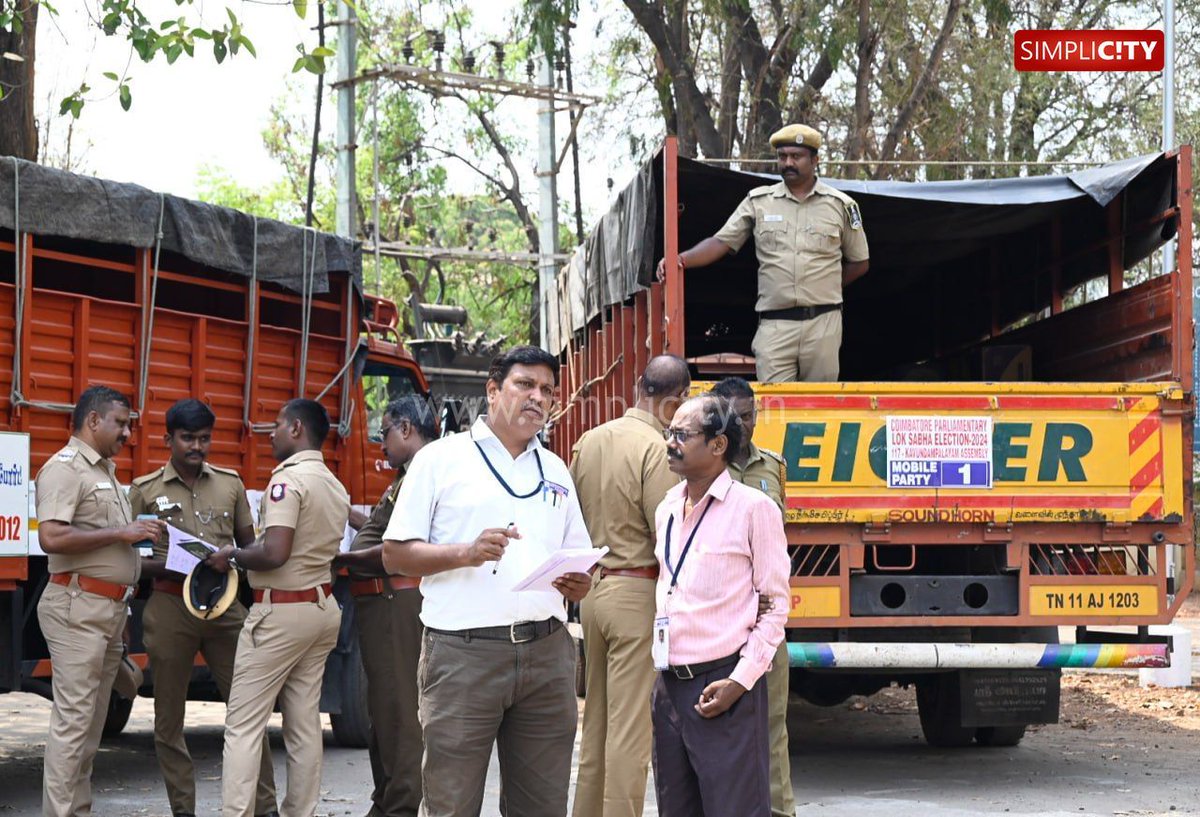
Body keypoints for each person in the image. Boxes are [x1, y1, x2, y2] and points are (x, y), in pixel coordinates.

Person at [382, 345, 593, 817]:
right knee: (451, 803)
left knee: (542, 806)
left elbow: (576, 556)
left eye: (547, 390)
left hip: (547, 653)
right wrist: (467, 552)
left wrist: (581, 584)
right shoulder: (441, 459)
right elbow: (395, 554)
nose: (538, 397)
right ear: (493, 390)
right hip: (464, 655)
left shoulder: (556, 469)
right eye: (525, 385)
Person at [128, 398, 279, 817]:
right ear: (168, 439)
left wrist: (232, 556)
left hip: (227, 609)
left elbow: (251, 547)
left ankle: (265, 808)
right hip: (170, 606)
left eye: (204, 438)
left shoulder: (230, 484)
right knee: (168, 721)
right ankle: (184, 811)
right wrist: (177, 565)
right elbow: (129, 561)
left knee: (248, 713)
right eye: (188, 438)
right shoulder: (145, 489)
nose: (197, 446)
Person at [207, 398, 350, 817]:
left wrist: (232, 554)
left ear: (296, 430)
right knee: (304, 725)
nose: (269, 433)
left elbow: (274, 553)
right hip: (320, 610)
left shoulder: (286, 482)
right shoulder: (334, 485)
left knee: (243, 725)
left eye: (277, 425)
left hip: (281, 614)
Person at [650, 394, 790, 817]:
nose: (671, 443)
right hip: (669, 687)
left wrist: (741, 681)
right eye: (669, 432)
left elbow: (775, 607)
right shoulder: (667, 509)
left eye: (682, 434)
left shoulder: (755, 510)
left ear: (717, 446)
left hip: (724, 685)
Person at [36, 385, 166, 817]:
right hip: (77, 608)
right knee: (74, 725)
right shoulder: (65, 469)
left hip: (106, 611)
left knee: (90, 728)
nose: (128, 432)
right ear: (93, 421)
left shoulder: (104, 472)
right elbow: (51, 536)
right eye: (121, 423)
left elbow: (110, 550)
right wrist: (123, 534)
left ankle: (79, 810)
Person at [570, 355, 691, 817]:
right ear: (676, 399)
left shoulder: (589, 440)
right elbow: (666, 536)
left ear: (640, 386)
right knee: (631, 729)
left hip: (593, 591)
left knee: (597, 722)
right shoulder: (656, 449)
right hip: (636, 593)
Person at [659, 124, 870, 383]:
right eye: (783, 157)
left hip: (823, 323)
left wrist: (825, 287)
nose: (788, 163)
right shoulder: (758, 201)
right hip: (775, 324)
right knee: (773, 405)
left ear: (815, 160)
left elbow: (860, 262)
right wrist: (679, 260)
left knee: (819, 405)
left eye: (796, 156)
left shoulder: (841, 205)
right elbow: (721, 242)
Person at [334, 395, 438, 817]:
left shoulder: (424, 473)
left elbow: (399, 551)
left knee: (399, 713)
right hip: (383, 603)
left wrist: (341, 561)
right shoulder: (410, 475)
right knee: (384, 710)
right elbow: (389, 531)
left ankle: (399, 806)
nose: (381, 444)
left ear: (407, 430)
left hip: (397, 600)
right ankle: (388, 800)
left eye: (385, 433)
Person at [710, 377, 794, 817]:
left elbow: (778, 540)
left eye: (750, 415)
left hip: (765, 624)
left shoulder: (774, 468)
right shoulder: (705, 469)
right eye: (735, 417)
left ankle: (780, 811)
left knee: (772, 726)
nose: (744, 425)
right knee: (721, 730)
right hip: (720, 624)